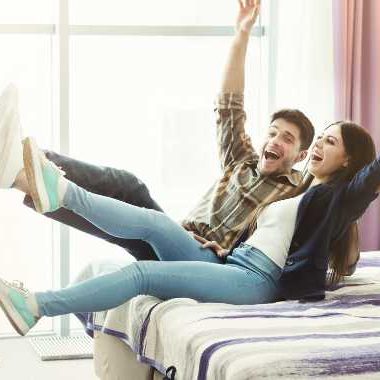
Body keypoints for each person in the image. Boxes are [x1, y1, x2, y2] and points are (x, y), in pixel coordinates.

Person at [0, 116, 378, 336]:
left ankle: (36, 306)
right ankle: (59, 190)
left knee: (142, 274)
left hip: (256, 282)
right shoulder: (298, 191)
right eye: (321, 138)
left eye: (329, 142)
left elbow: (371, 179)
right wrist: (228, 249)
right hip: (234, 263)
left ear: (348, 162)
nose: (318, 146)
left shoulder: (338, 200)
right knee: (155, 222)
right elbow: (274, 239)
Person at [0, 0, 315, 262]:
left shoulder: (298, 193)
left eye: (286, 138)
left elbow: (309, 239)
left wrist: (235, 254)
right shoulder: (241, 162)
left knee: (130, 188)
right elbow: (229, 105)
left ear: (302, 154)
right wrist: (243, 33)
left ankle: (20, 164)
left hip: (209, 260)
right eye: (272, 132)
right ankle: (19, 171)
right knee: (118, 212)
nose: (274, 141)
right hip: (178, 238)